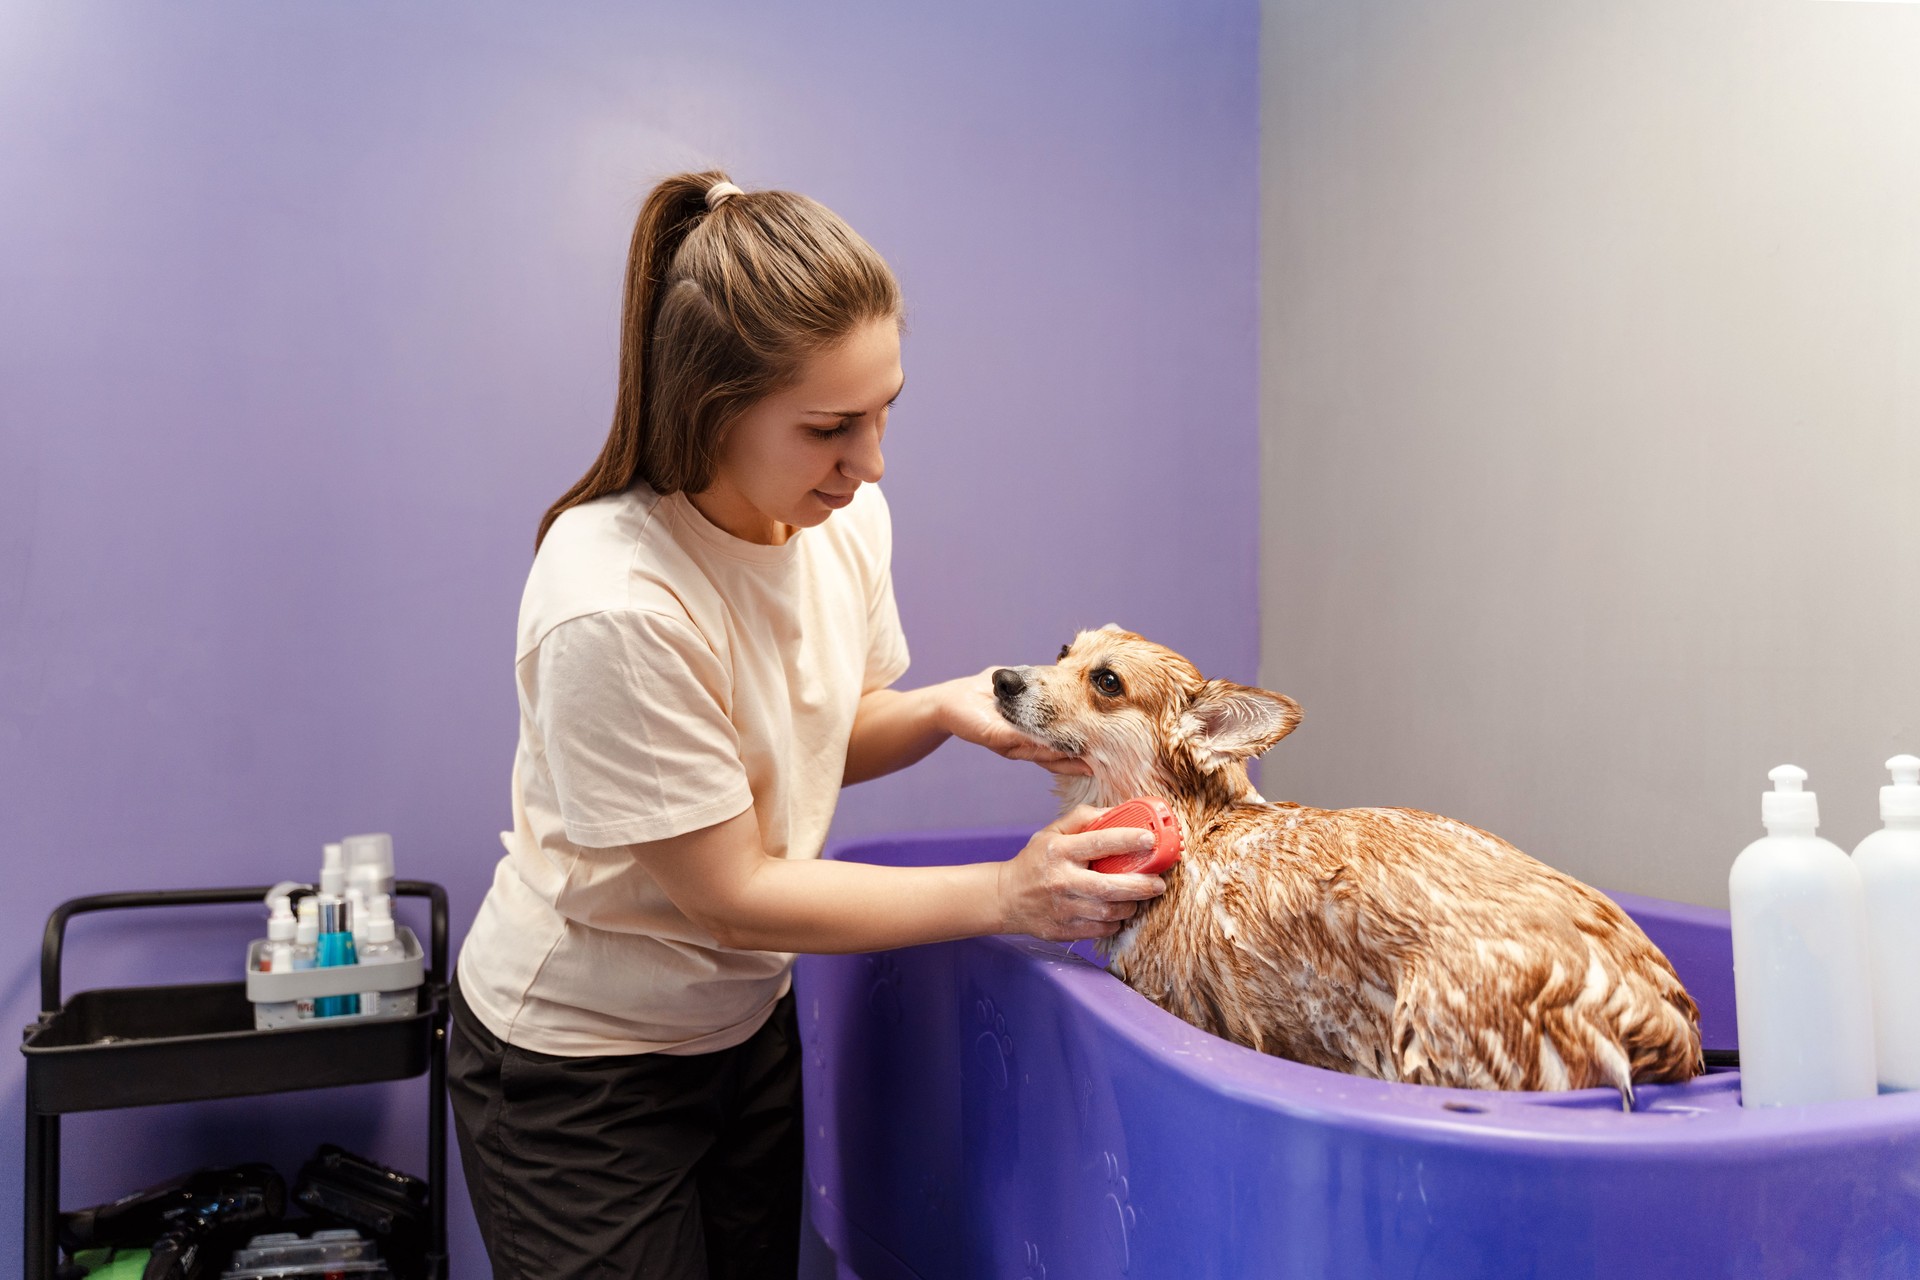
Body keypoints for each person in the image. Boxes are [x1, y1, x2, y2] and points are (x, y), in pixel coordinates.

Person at [446, 170, 1169, 1280]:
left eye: (885, 411)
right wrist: (1007, 891)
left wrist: (934, 710)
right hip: (581, 1068)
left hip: (743, 1027)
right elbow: (729, 887)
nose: (872, 461)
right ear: (708, 407)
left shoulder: (839, 516)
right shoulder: (615, 600)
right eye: (831, 427)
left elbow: (810, 736)